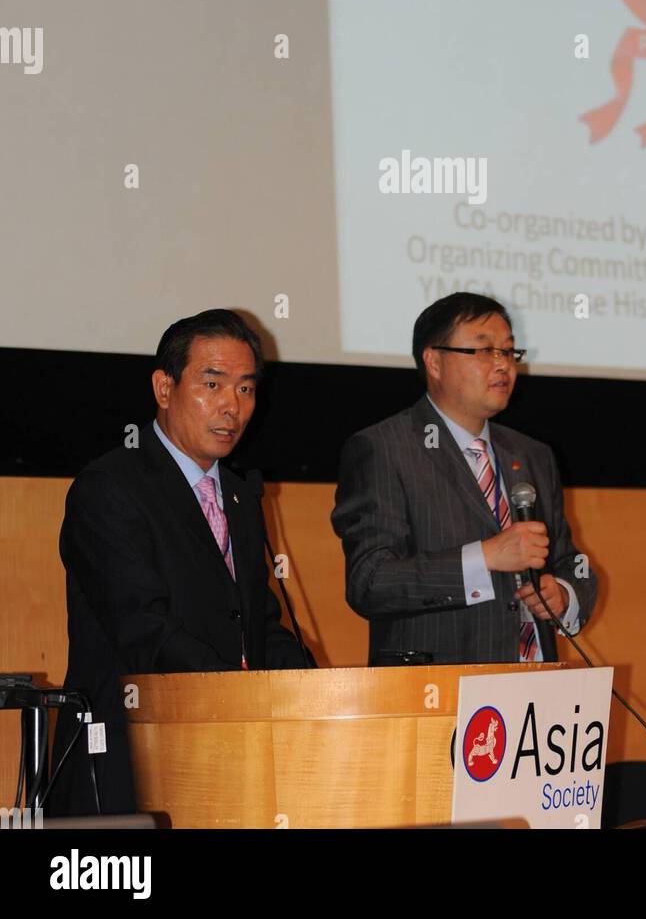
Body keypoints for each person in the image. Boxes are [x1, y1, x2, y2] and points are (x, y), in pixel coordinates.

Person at [47, 309, 307, 818]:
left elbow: (259, 624)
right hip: (131, 755)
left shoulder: (237, 493)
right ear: (164, 388)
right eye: (212, 384)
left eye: (246, 389)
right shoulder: (111, 488)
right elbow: (145, 628)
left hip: (227, 749)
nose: (231, 406)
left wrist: (311, 691)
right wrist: (242, 697)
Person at [332, 292, 598, 665]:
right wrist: (485, 557)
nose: (503, 365)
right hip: (437, 691)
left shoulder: (532, 455)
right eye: (484, 350)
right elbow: (371, 582)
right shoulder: (384, 449)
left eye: (508, 352)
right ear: (434, 362)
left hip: (534, 688)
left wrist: (565, 593)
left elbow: (571, 562)